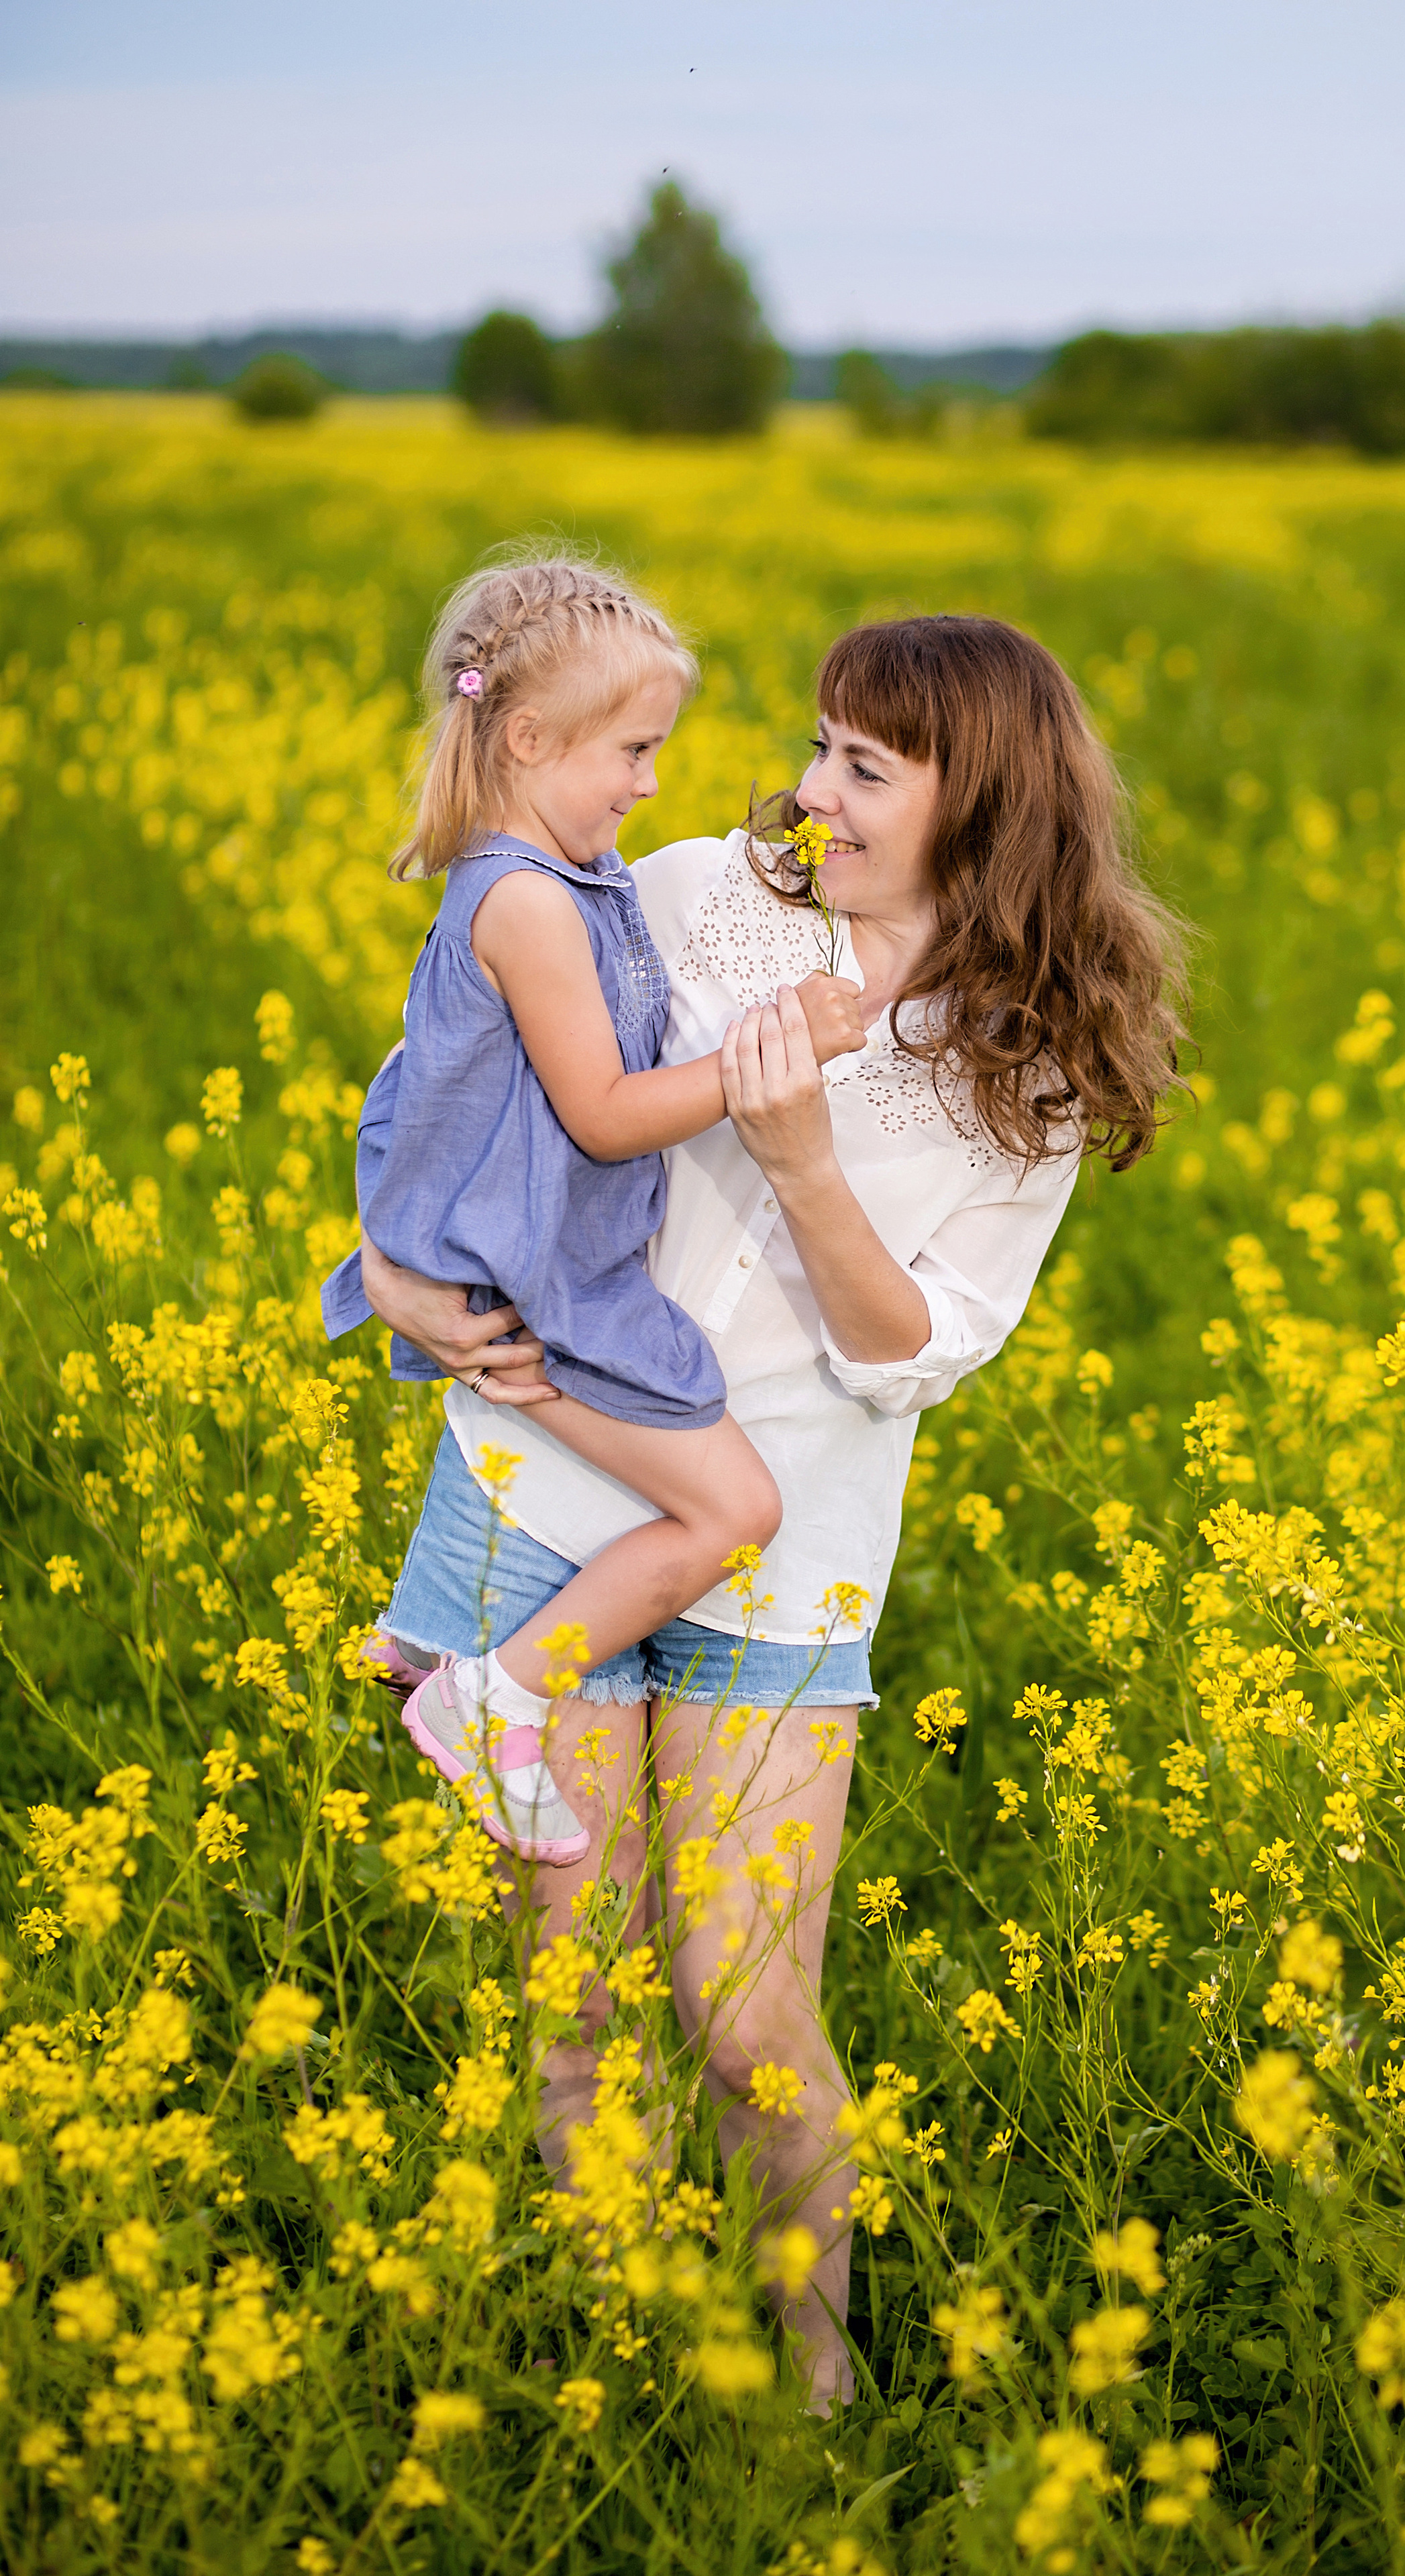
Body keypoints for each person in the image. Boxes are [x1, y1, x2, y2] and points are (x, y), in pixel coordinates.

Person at [359, 612, 1187, 2407]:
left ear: (985, 804)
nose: (809, 791)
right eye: (820, 747)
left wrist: (809, 1171)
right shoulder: (701, 897)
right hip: (559, 1489)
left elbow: (916, 1354)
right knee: (572, 2005)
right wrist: (387, 1263)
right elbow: (481, 1059)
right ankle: (626, 2373)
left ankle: (813, 2398)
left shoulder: (1032, 1057)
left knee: (746, 2021)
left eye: (864, 768)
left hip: (788, 1544)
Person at [321, 553, 864, 1860]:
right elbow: (603, 1114)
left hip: (536, 1263)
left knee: (647, 1480)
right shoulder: (525, 901)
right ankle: (490, 1691)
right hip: (543, 1279)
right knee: (735, 1512)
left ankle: (431, 1628)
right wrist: (779, 1054)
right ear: (525, 738)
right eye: (632, 749)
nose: (649, 781)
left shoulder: (558, 882)